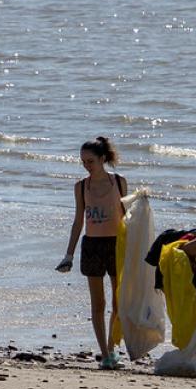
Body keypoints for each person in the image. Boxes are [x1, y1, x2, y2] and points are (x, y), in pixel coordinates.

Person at [55, 136, 127, 369]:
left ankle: (112, 347)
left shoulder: (119, 182)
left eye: (91, 161)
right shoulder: (81, 186)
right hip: (92, 246)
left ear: (103, 159)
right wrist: (69, 255)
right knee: (98, 304)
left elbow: (128, 219)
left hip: (116, 245)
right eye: (83, 161)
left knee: (119, 303)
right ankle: (105, 355)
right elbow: (78, 221)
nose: (86, 165)